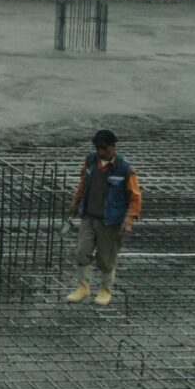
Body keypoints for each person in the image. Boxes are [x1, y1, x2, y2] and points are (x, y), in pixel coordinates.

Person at [65, 129, 141, 307]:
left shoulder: (125, 169)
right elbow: (83, 182)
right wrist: (76, 201)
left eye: (103, 148)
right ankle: (83, 287)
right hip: (89, 216)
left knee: (106, 257)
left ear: (113, 147)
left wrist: (129, 219)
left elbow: (135, 196)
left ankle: (105, 289)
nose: (100, 152)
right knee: (82, 251)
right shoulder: (91, 161)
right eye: (97, 148)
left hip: (110, 221)